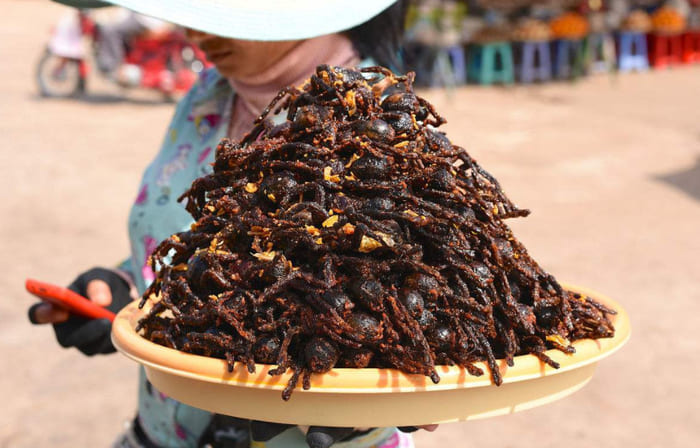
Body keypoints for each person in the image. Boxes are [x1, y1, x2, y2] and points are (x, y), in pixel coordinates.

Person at [29, 1, 437, 447]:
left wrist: (379, 397)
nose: (196, 32)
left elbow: (425, 301)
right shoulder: (210, 92)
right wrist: (126, 285)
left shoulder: (386, 120)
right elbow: (198, 245)